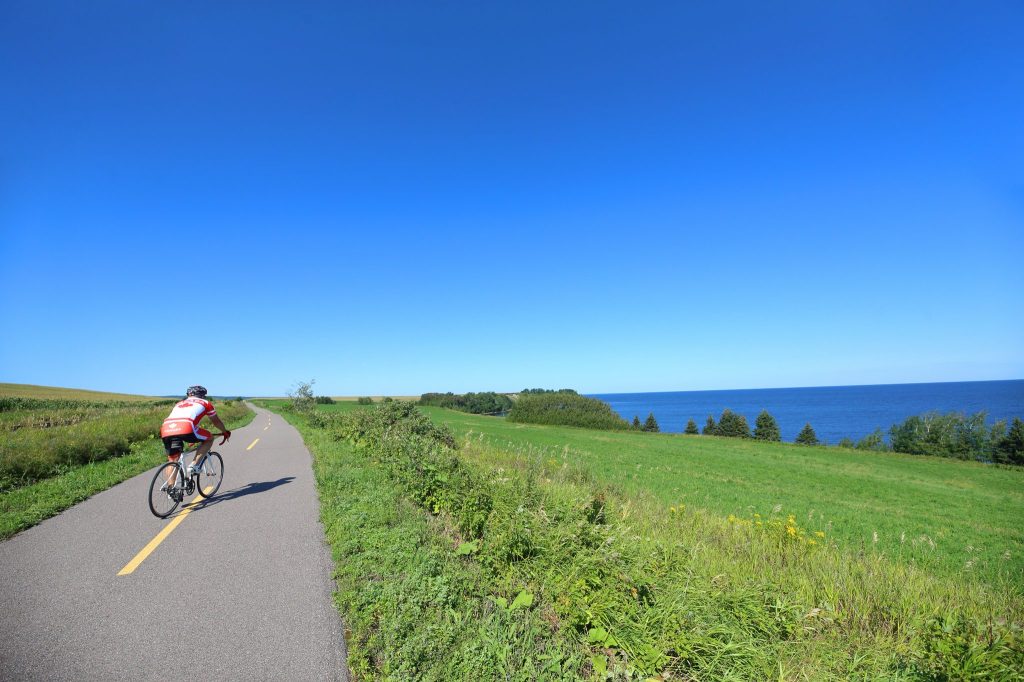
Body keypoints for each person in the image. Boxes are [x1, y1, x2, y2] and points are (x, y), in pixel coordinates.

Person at [160, 385, 231, 492]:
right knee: (209, 438)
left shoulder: (179, 403)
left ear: (188, 394)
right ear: (203, 395)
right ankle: (194, 465)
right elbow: (216, 421)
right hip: (186, 427)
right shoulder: (206, 403)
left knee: (173, 459)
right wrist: (224, 432)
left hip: (166, 429)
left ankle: (171, 490)